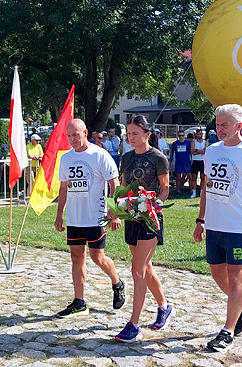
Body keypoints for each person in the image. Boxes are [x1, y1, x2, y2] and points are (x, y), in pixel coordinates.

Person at [194, 104, 242, 352]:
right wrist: (200, 220)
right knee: (217, 273)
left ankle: (227, 331)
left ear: (238, 126)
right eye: (217, 124)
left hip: (238, 225)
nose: (219, 128)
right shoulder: (212, 151)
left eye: (224, 124)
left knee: (236, 276)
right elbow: (207, 186)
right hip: (215, 225)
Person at [54, 119, 126, 317]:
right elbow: (63, 188)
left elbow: (114, 183)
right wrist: (59, 214)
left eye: (75, 135)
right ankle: (79, 302)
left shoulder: (99, 155)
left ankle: (117, 282)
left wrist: (115, 212)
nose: (72, 139)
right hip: (75, 218)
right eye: (69, 136)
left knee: (97, 257)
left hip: (95, 216)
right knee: (76, 257)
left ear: (85, 133)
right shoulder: (66, 158)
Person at [115, 115, 172, 343]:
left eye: (135, 133)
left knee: (136, 270)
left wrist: (153, 205)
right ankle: (164, 306)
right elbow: (122, 185)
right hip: (131, 217)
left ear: (148, 134)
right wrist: (117, 208)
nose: (131, 137)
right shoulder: (126, 158)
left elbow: (165, 189)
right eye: (128, 134)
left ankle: (134, 324)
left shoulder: (158, 158)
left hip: (150, 219)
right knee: (145, 268)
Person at [171, 130, 192, 197]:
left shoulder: (188, 143)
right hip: (178, 162)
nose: (181, 137)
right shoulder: (175, 143)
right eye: (179, 135)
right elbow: (172, 152)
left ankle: (191, 190)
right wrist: (171, 161)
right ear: (178, 136)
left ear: (184, 136)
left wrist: (192, 159)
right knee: (178, 177)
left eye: (182, 135)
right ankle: (178, 190)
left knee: (189, 176)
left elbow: (191, 152)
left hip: (186, 162)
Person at [189, 128, 207, 199]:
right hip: (195, 161)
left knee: (203, 177)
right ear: (196, 134)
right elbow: (192, 151)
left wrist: (197, 150)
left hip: (202, 161)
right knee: (194, 177)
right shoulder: (193, 142)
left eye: (200, 134)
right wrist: (200, 151)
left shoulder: (205, 142)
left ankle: (201, 192)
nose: (199, 135)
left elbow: (205, 151)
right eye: (198, 134)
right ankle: (194, 192)